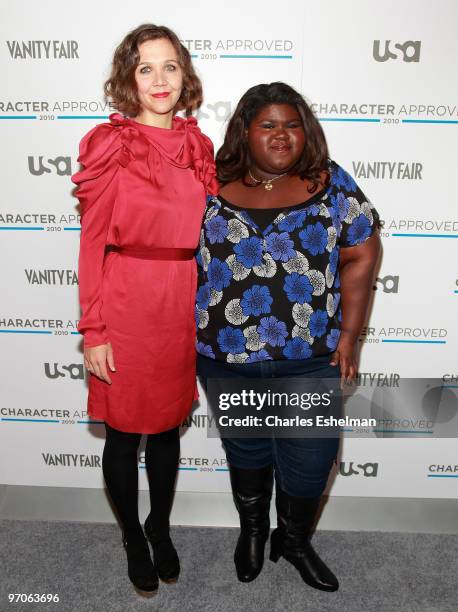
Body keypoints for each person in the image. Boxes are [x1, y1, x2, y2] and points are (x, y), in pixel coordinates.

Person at [196, 82, 381, 591]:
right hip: (227, 359)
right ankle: (253, 532)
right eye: (268, 125)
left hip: (308, 357)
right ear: (244, 131)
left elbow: (363, 250)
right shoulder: (207, 181)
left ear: (307, 131)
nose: (282, 135)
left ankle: (294, 541)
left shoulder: (329, 182)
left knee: (309, 462)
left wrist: (351, 335)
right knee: (248, 453)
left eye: (292, 124)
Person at [71, 24, 217, 595]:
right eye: (146, 68)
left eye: (171, 67)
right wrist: (95, 328)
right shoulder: (113, 144)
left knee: (165, 431)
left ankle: (160, 525)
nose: (160, 80)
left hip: (179, 302)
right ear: (129, 80)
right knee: (124, 435)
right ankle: (133, 535)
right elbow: (90, 244)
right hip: (126, 299)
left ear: (186, 77)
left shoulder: (198, 147)